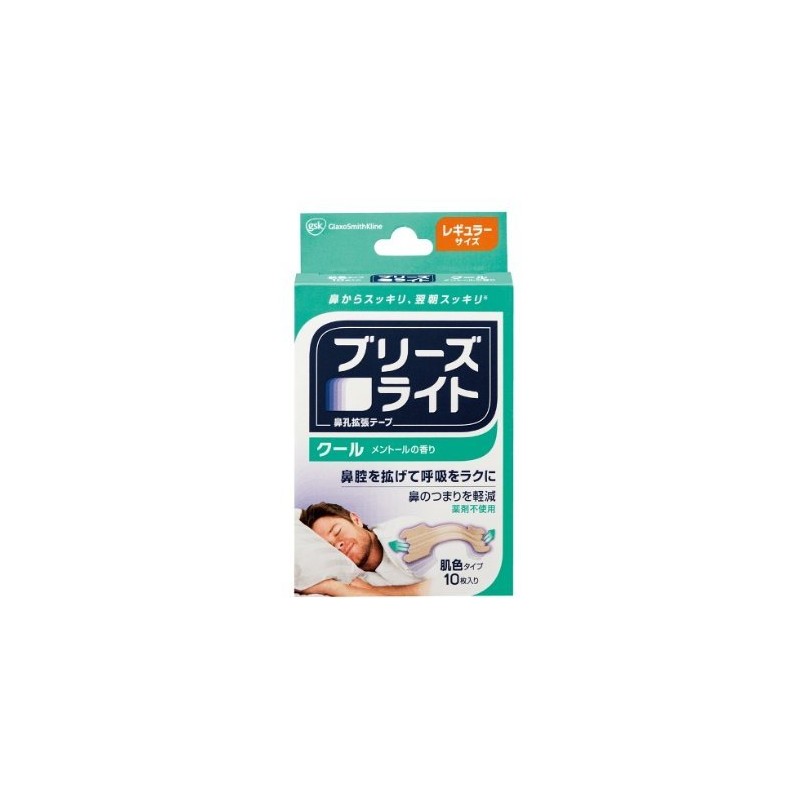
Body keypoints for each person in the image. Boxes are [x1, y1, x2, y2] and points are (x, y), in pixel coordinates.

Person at [299, 502, 428, 596]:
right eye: (330, 547)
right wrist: (331, 587)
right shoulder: (353, 578)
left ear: (356, 520)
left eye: (337, 531)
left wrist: (370, 590)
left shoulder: (405, 532)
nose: (338, 545)